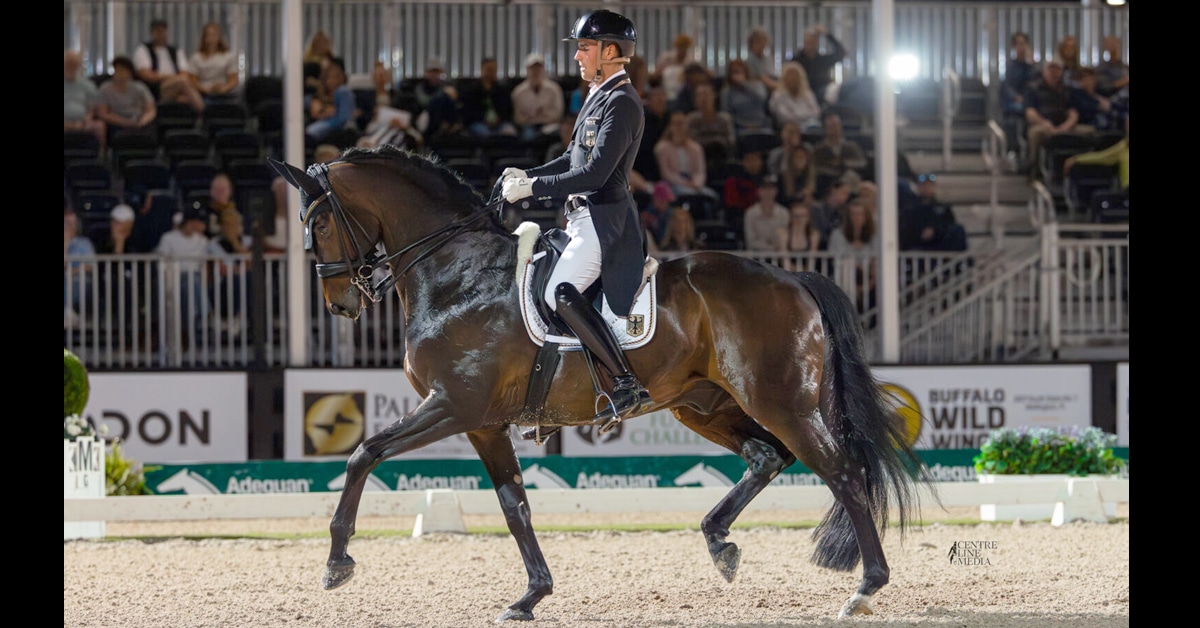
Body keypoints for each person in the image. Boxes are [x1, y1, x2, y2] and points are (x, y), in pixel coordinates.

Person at [500, 9, 653, 425]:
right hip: (580, 220)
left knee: (558, 291)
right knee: (540, 284)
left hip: (606, 222)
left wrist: (532, 190)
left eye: (584, 48)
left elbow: (595, 173)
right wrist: (527, 174)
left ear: (610, 51)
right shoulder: (597, 95)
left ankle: (625, 383)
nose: (577, 56)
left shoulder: (622, 102)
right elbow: (571, 159)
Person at [1023, 56, 1080, 179]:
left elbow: (1073, 113)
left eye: (1057, 69)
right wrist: (1045, 124)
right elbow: (1030, 113)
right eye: (1051, 69)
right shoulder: (1033, 88)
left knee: (1090, 132)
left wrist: (1066, 126)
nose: (1054, 73)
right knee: (1035, 134)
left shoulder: (1067, 90)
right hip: (1042, 126)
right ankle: (1034, 169)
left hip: (1065, 126)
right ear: (1044, 71)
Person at [132, 18, 204, 112]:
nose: (160, 34)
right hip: (156, 90)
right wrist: (172, 78)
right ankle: (202, 112)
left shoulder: (176, 51)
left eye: (163, 30)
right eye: (157, 31)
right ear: (151, 32)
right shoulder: (143, 50)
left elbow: (185, 73)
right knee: (183, 82)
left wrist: (176, 80)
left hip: (177, 86)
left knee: (184, 86)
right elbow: (146, 75)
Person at [654, 109, 717, 199]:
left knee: (711, 196)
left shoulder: (696, 147)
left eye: (682, 123)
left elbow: (700, 171)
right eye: (676, 124)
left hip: (693, 182)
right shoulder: (662, 148)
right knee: (688, 195)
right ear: (670, 126)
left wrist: (696, 184)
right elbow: (666, 173)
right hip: (673, 184)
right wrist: (684, 183)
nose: (679, 127)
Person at [898, 173, 967, 252]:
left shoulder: (943, 208)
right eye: (924, 185)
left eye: (930, 185)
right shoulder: (911, 209)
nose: (927, 188)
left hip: (939, 246)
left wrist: (935, 231)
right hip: (919, 249)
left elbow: (949, 225)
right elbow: (906, 231)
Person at [95, 55, 157, 143]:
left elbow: (151, 109)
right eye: (117, 70)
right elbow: (102, 113)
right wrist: (125, 122)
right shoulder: (105, 89)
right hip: (116, 122)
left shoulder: (140, 88)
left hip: (139, 120)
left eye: (123, 70)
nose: (120, 73)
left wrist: (143, 121)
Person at [812, 110, 867, 197]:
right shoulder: (819, 149)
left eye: (836, 125)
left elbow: (861, 163)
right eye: (830, 127)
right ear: (825, 129)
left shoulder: (851, 147)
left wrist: (843, 164)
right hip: (827, 181)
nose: (834, 129)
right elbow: (816, 167)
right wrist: (833, 168)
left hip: (849, 180)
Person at [511, 53, 565, 143]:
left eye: (538, 68)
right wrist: (530, 117)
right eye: (532, 68)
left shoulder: (554, 89)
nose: (536, 71)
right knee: (528, 136)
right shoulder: (518, 92)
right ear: (527, 70)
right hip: (528, 126)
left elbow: (558, 114)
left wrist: (544, 114)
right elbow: (517, 117)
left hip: (550, 125)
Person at [305, 58, 359, 144]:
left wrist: (329, 114)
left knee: (312, 131)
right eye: (329, 78)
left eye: (335, 78)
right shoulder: (319, 95)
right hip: (326, 123)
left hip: (341, 126)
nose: (332, 81)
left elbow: (343, 117)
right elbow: (314, 110)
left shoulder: (343, 91)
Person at [461, 57, 517, 138]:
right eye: (489, 69)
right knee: (486, 134)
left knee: (510, 132)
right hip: (479, 122)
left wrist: (499, 119)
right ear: (482, 70)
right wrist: (484, 119)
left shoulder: (502, 90)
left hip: (499, 123)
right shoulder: (472, 90)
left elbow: (507, 110)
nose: (491, 73)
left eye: (494, 70)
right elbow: (468, 112)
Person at [790, 24, 846, 106]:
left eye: (812, 41)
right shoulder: (796, 61)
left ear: (816, 42)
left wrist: (827, 34)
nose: (809, 43)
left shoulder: (822, 60)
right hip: (803, 94)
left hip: (823, 93)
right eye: (807, 41)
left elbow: (841, 53)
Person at [685, 81, 736, 169]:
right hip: (698, 158)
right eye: (700, 95)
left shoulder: (724, 118)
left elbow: (731, 141)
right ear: (695, 99)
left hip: (721, 156)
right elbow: (690, 141)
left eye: (707, 95)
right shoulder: (691, 119)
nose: (704, 99)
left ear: (714, 96)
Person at [64, 49, 106, 152]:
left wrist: (85, 120)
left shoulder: (87, 85)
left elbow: (92, 108)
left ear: (78, 66)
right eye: (69, 64)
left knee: (99, 126)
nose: (71, 67)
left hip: (83, 122)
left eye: (74, 64)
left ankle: (100, 159)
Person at [719, 58, 772, 138]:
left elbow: (761, 98)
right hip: (740, 128)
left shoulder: (757, 85)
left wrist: (744, 83)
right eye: (733, 72)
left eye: (739, 72)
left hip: (761, 125)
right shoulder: (727, 92)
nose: (736, 76)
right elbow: (727, 114)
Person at [65, 197, 96, 327]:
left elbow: (91, 266)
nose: (69, 226)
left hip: (79, 279)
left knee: (72, 280)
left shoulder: (84, 243)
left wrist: (73, 271)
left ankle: (68, 313)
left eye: (72, 223)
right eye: (66, 223)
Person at [189, 22, 239, 103]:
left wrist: (223, 89)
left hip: (223, 93)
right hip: (202, 94)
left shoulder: (228, 57)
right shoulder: (196, 58)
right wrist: (206, 90)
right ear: (204, 37)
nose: (211, 38)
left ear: (219, 37)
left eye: (214, 35)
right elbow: (193, 80)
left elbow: (233, 80)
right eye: (208, 35)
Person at [769, 61, 822, 133]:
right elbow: (784, 117)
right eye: (790, 75)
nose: (793, 78)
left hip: (810, 126)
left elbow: (816, 112)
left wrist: (801, 116)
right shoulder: (778, 96)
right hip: (790, 128)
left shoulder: (808, 94)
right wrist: (804, 116)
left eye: (795, 75)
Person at [742, 176, 790, 251]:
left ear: (776, 191)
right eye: (764, 189)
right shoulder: (751, 213)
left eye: (771, 189)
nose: (768, 192)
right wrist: (770, 248)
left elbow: (785, 237)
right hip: (756, 256)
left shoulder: (783, 213)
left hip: (778, 256)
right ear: (759, 191)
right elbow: (750, 241)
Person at [1069, 67, 1114, 133]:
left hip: (1107, 119)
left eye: (1091, 79)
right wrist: (1098, 105)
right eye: (1086, 79)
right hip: (1089, 121)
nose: (1089, 82)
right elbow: (1084, 108)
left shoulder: (1098, 92)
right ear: (1080, 81)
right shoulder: (1077, 94)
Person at [654, 33, 695, 102]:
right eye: (681, 46)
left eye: (685, 47)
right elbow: (655, 75)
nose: (683, 50)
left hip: (682, 94)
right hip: (665, 92)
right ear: (676, 46)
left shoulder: (690, 61)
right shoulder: (666, 58)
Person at [641, 180, 676, 246]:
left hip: (667, 245)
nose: (666, 204)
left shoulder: (669, 213)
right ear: (655, 199)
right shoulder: (648, 213)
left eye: (666, 201)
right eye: (662, 201)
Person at [744, 28, 779, 92]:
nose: (763, 44)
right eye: (760, 41)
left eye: (765, 41)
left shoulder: (768, 58)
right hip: (759, 88)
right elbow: (763, 79)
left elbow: (772, 74)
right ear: (753, 43)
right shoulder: (750, 60)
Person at [303, 30, 335, 95]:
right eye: (319, 43)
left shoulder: (333, 61)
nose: (322, 46)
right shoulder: (306, 62)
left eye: (324, 43)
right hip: (310, 91)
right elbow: (302, 79)